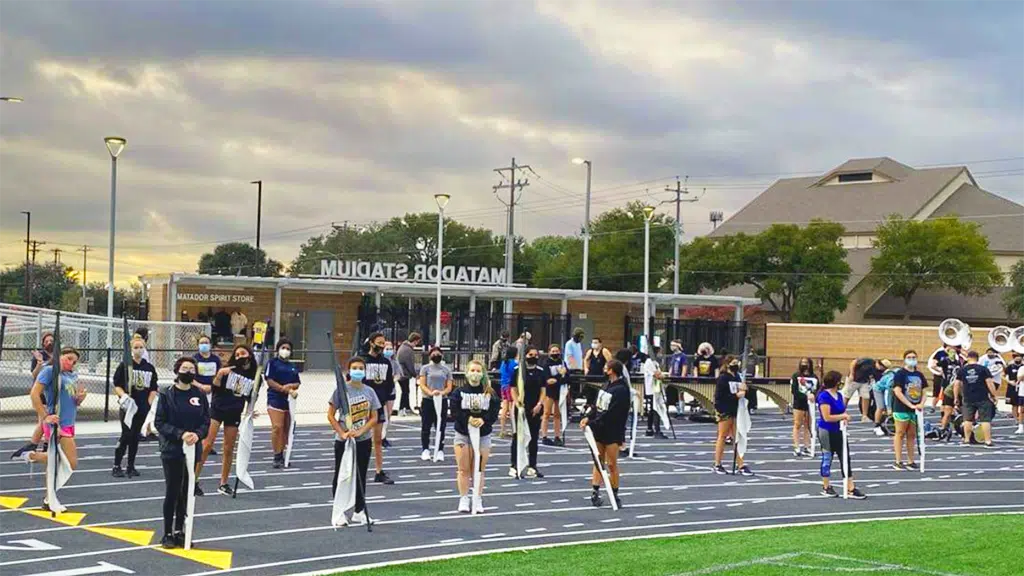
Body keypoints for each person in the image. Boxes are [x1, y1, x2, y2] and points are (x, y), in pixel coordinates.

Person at [22, 347, 86, 511]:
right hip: (56, 423)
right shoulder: (49, 371)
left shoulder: (71, 375)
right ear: (60, 356)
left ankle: (48, 498)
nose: (71, 363)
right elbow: (34, 394)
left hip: (69, 423)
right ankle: (32, 456)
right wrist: (45, 417)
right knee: (70, 463)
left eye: (74, 361)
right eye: (69, 358)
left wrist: (79, 399)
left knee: (56, 462)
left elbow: (71, 401)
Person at [154, 357, 209, 548]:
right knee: (173, 490)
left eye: (191, 369)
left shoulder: (199, 394)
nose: (188, 371)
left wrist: (197, 434)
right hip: (172, 450)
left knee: (186, 491)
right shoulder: (166, 394)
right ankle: (167, 532)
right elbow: (159, 422)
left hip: (193, 449)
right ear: (177, 371)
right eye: (185, 368)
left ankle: (180, 530)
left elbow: (206, 421)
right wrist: (181, 434)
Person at [196, 344, 256, 496]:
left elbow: (252, 397)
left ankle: (223, 482)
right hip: (218, 408)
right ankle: (193, 479)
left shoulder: (255, 375)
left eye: (242, 353)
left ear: (249, 354)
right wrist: (219, 375)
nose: (239, 356)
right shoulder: (228, 370)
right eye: (236, 355)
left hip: (235, 412)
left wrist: (250, 413)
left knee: (228, 448)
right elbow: (214, 389)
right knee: (207, 444)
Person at [328, 357, 379, 526]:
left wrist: (361, 431)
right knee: (342, 474)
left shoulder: (370, 392)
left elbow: (374, 418)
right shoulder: (341, 390)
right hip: (344, 440)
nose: (358, 370)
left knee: (361, 474)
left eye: (361, 368)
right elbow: (330, 415)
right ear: (349, 371)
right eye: (355, 367)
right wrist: (342, 433)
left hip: (363, 440)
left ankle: (359, 511)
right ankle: (339, 511)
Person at [450, 359, 500, 513]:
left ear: (483, 373)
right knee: (463, 469)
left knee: (478, 469)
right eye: (472, 370)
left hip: (483, 435)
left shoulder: (489, 393)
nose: (475, 374)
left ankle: (477, 499)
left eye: (478, 371)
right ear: (467, 373)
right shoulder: (458, 392)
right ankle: (464, 498)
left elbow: (493, 412)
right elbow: (455, 411)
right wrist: (468, 419)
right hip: (463, 434)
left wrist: (483, 420)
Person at [581, 359, 630, 508]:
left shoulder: (622, 390)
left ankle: (614, 493)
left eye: (605, 367)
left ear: (612, 370)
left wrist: (593, 422)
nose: (603, 369)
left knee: (612, 464)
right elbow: (597, 406)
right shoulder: (606, 385)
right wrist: (588, 417)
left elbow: (613, 412)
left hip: (612, 430)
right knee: (598, 460)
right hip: (599, 429)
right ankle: (595, 491)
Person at [112, 336, 159, 478]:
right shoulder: (125, 365)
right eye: (136, 347)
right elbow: (117, 384)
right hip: (129, 407)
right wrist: (124, 397)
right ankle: (116, 465)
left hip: (142, 407)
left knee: (135, 437)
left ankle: (131, 466)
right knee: (126, 435)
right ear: (131, 349)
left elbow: (153, 387)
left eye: (141, 347)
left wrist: (149, 403)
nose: (139, 350)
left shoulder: (149, 367)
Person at [816, 370, 866, 499]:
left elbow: (841, 410)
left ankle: (851, 487)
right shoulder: (824, 396)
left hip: (840, 431)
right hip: (827, 431)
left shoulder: (838, 395)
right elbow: (826, 417)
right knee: (828, 457)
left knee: (845, 457)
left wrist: (843, 418)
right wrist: (842, 416)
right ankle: (826, 486)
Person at [10, 332, 55, 460]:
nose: (49, 343)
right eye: (46, 341)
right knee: (44, 420)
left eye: (51, 340)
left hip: (54, 392)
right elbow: (34, 375)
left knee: (47, 421)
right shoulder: (40, 356)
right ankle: (37, 446)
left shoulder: (59, 356)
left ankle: (36, 445)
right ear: (43, 343)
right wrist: (40, 362)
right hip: (42, 392)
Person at [509, 346, 547, 479]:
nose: (534, 357)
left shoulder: (541, 371)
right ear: (525, 355)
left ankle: (532, 465)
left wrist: (539, 404)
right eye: (531, 354)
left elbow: (543, 390)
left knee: (534, 437)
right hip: (520, 408)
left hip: (535, 408)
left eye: (536, 355)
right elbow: (513, 388)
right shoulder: (518, 371)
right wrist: (517, 402)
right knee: (518, 436)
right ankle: (514, 465)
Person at [363, 332, 395, 485]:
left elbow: (389, 384)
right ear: (371, 343)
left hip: (378, 405)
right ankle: (356, 468)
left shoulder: (386, 363)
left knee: (377, 439)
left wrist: (383, 399)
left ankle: (378, 471)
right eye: (379, 343)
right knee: (360, 438)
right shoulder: (363, 360)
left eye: (384, 344)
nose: (381, 346)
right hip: (362, 405)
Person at [712, 355, 752, 476]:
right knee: (723, 436)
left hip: (737, 410)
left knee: (737, 437)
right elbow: (720, 397)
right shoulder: (723, 378)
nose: (736, 365)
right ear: (728, 364)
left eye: (737, 363)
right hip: (725, 409)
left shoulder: (738, 376)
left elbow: (743, 393)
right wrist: (735, 396)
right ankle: (717, 463)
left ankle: (740, 464)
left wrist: (745, 390)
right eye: (734, 363)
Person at [265, 339, 300, 468]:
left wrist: (291, 386)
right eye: (283, 347)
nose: (285, 350)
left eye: (288, 348)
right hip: (275, 399)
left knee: (286, 430)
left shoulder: (292, 366)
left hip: (289, 402)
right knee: (277, 427)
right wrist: (282, 389)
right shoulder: (272, 363)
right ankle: (276, 455)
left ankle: (282, 453)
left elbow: (297, 382)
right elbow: (269, 380)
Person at [953, 350, 997, 449]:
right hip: (982, 397)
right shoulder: (983, 369)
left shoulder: (962, 370)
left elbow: (956, 385)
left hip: (968, 398)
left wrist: (956, 397)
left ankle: (967, 440)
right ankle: (988, 441)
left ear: (968, 358)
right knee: (985, 420)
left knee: (967, 419)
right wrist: (994, 395)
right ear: (977, 358)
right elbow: (989, 383)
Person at [891, 350, 926, 470]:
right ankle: (898, 460)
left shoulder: (919, 375)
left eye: (914, 357)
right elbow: (897, 391)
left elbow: (924, 391)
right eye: (909, 357)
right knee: (900, 433)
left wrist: (921, 403)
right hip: (901, 408)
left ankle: (911, 460)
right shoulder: (900, 374)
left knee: (911, 435)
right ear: (904, 359)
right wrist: (909, 404)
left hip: (915, 409)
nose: (912, 359)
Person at [418, 346, 454, 462]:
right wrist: (430, 393)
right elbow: (422, 384)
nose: (436, 355)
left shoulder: (446, 369)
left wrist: (441, 393)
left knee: (441, 426)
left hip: (441, 400)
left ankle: (439, 450)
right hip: (428, 400)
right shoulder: (425, 368)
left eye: (438, 353)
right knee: (426, 426)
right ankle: (425, 449)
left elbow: (449, 387)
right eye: (434, 353)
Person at [191, 335, 221, 456]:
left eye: (206, 342)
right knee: (198, 417)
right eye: (202, 342)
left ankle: (208, 443)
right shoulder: (194, 359)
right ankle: (197, 442)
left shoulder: (216, 359)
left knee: (209, 418)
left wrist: (212, 387)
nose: (204, 345)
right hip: (198, 391)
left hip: (212, 392)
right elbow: (191, 377)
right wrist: (201, 386)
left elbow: (219, 375)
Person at [541, 344, 567, 446]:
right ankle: (544, 436)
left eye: (557, 351)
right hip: (549, 391)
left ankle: (557, 436)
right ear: (549, 352)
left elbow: (567, 377)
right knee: (547, 413)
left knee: (557, 414)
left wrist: (558, 379)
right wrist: (559, 376)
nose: (555, 353)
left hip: (560, 391)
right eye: (553, 351)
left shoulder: (562, 363)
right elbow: (548, 380)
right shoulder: (546, 364)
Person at [790, 357, 817, 457]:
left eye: (806, 363)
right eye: (802, 363)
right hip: (799, 404)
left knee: (808, 425)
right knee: (797, 424)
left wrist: (814, 395)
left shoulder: (814, 377)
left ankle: (807, 446)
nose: (804, 365)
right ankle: (797, 447)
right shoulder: (796, 376)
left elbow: (816, 389)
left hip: (810, 404)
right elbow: (794, 391)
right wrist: (806, 396)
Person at [643, 345, 667, 439]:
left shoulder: (655, 362)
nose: (660, 354)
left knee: (653, 410)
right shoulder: (650, 362)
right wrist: (664, 375)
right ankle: (657, 430)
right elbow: (656, 374)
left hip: (656, 388)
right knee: (655, 410)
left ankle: (650, 429)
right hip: (652, 389)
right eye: (659, 352)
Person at [396, 332, 422, 417]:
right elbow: (409, 364)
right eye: (417, 342)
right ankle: (402, 408)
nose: (417, 344)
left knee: (406, 391)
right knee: (405, 392)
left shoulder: (404, 347)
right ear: (414, 340)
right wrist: (415, 374)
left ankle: (406, 408)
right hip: (404, 374)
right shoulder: (408, 349)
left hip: (401, 373)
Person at [380, 340, 400, 447]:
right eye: (387, 348)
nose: (389, 350)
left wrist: (393, 380)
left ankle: (384, 436)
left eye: (390, 348)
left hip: (391, 390)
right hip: (380, 391)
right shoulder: (380, 361)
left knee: (388, 415)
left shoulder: (394, 362)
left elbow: (398, 374)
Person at [844, 357, 875, 423]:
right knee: (847, 396)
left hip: (864, 382)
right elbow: (853, 362)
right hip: (854, 380)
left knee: (866, 397)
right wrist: (852, 374)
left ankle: (864, 416)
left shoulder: (878, 370)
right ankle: (841, 413)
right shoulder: (869, 361)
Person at [583, 337, 613, 407]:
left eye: (596, 343)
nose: (594, 344)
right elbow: (585, 359)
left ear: (600, 344)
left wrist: (606, 368)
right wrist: (586, 368)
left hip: (600, 374)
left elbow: (610, 361)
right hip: (591, 374)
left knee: (599, 392)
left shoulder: (604, 351)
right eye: (593, 342)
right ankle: (589, 406)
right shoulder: (590, 351)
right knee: (590, 392)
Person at [871, 359, 896, 437]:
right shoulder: (891, 380)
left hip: (885, 389)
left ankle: (885, 423)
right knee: (881, 407)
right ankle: (877, 426)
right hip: (878, 390)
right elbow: (887, 394)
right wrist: (888, 408)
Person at [498, 347, 519, 438]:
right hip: (511, 387)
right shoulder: (514, 363)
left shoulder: (504, 362)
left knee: (504, 408)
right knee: (511, 409)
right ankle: (514, 429)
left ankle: (502, 430)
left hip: (503, 386)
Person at [1005, 353, 1023, 434]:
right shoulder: (1011, 366)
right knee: (1014, 404)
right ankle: (1017, 420)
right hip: (1014, 387)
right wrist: (1009, 382)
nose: (1018, 358)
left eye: (1019, 357)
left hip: (1020, 387)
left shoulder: (1022, 366)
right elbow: (1003, 375)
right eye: (1016, 357)